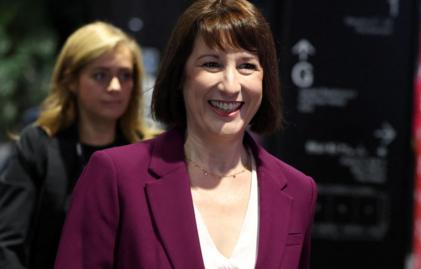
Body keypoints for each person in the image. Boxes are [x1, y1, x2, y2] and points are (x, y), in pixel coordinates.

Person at [54, 0, 318, 268]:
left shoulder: (299, 190)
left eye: (247, 65)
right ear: (181, 76)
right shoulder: (115, 176)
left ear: (265, 79)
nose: (230, 85)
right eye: (212, 64)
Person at [0, 21, 156, 269]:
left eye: (125, 75)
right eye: (100, 75)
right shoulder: (38, 146)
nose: (115, 87)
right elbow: (8, 243)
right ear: (71, 80)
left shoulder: (149, 152)